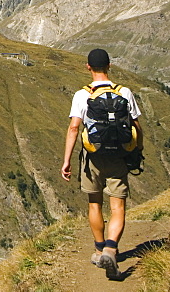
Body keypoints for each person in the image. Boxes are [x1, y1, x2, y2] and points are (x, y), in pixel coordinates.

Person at [61, 48, 143, 280]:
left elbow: (74, 128)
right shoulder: (124, 92)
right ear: (110, 66)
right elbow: (136, 125)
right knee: (117, 207)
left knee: (94, 203)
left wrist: (67, 160)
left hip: (92, 157)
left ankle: (99, 250)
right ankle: (111, 248)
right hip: (118, 156)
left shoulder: (82, 95)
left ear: (88, 67)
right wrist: (138, 150)